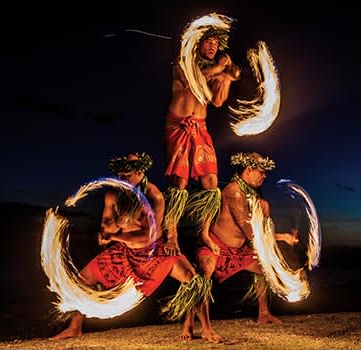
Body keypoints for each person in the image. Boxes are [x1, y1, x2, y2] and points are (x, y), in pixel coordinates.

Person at [50, 152, 223, 343]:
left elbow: (147, 237)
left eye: (127, 175)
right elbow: (105, 225)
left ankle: (206, 328)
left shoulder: (154, 196)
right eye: (120, 176)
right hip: (125, 251)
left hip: (154, 252)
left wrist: (115, 234)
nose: (122, 180)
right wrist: (110, 230)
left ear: (140, 172)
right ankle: (74, 327)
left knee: (193, 279)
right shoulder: (113, 193)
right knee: (82, 278)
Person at [183, 152, 298, 329]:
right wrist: (282, 237)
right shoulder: (234, 192)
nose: (265, 175)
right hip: (216, 246)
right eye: (261, 171)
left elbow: (263, 230)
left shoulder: (257, 199)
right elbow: (250, 232)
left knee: (262, 269)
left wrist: (270, 226)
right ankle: (188, 322)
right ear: (249, 170)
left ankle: (264, 313)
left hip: (237, 251)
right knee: (204, 273)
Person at [163, 25, 241, 258]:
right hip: (179, 126)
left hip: (201, 129)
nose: (213, 46)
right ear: (197, 44)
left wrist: (227, 79)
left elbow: (217, 101)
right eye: (209, 42)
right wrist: (219, 68)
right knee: (180, 182)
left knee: (211, 182)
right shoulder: (183, 64)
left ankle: (204, 233)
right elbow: (192, 82)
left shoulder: (213, 71)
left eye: (216, 44)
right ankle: (172, 234)